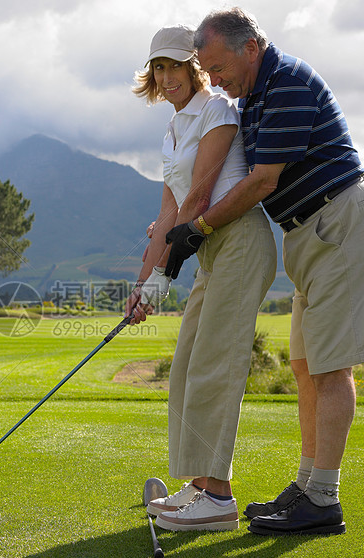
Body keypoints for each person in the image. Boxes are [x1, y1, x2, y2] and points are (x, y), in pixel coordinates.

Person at [166, 7, 364, 535]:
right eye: (207, 70)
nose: (215, 79)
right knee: (305, 364)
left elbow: (262, 181)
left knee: (330, 367)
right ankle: (307, 486)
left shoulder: (287, 80)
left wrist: (197, 227)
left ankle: (322, 498)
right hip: (307, 234)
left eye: (218, 68)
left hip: (339, 222)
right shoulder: (256, 95)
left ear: (251, 48)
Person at [126, 24, 276, 532]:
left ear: (195, 67)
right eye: (159, 68)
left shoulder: (217, 110)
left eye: (175, 66)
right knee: (188, 364)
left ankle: (220, 499)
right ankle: (199, 484)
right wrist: (141, 286)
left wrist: (162, 278)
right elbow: (168, 215)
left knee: (215, 365)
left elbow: (199, 198)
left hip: (240, 241)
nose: (167, 77)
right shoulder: (171, 132)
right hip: (212, 249)